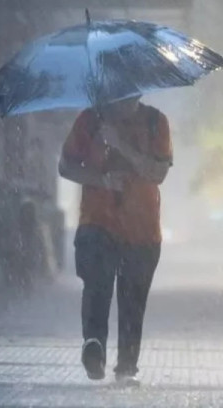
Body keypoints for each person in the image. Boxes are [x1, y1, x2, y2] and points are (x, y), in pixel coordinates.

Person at [58, 96, 173, 387]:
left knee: (133, 300)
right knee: (97, 285)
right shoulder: (90, 120)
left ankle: (126, 367)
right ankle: (94, 346)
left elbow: (157, 173)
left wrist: (121, 144)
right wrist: (103, 180)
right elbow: (66, 167)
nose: (124, 95)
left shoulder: (155, 122)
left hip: (142, 229)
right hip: (97, 223)